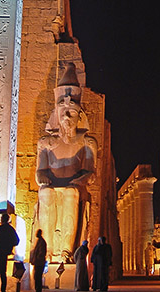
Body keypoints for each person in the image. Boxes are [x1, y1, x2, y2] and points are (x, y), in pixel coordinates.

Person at [35, 62, 97, 261]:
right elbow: (40, 171)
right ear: (57, 116)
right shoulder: (45, 143)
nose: (67, 117)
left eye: (71, 113)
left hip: (73, 186)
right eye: (63, 113)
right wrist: (43, 178)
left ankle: (65, 252)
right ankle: (48, 250)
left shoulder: (87, 142)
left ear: (80, 116)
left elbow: (90, 172)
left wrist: (78, 181)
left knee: (70, 193)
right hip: (53, 184)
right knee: (45, 193)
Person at [0, 213, 19, 292]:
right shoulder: (10, 229)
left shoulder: (1, 228)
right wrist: (8, 247)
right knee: (3, 273)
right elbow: (16, 241)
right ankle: (3, 290)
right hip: (4, 254)